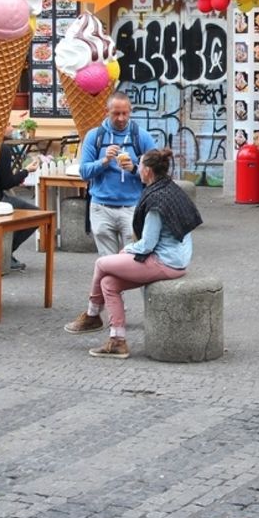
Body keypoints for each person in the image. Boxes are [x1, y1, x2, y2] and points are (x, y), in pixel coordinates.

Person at [65, 148, 202, 359]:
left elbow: (147, 244)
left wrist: (126, 250)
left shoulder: (157, 202)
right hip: (175, 258)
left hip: (165, 262)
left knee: (102, 264)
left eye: (140, 166)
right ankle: (117, 341)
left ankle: (92, 314)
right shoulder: (170, 188)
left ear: (146, 171)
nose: (137, 169)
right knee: (109, 283)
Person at [79, 92, 158, 257]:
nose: (121, 118)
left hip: (132, 207)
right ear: (106, 111)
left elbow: (157, 173)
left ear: (130, 111)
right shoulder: (94, 136)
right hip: (101, 207)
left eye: (125, 113)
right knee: (108, 261)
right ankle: (109, 284)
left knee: (133, 261)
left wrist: (135, 169)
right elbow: (84, 172)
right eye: (116, 113)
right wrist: (105, 161)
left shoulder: (141, 137)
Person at [0, 123, 41, 272]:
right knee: (35, 215)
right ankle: (6, 253)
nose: (12, 127)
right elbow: (7, 183)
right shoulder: (2, 149)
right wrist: (26, 171)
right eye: (7, 124)